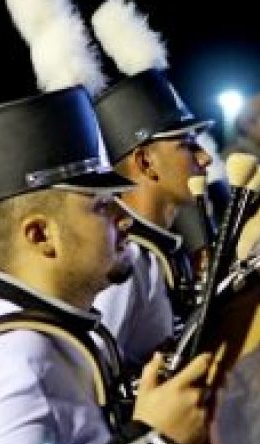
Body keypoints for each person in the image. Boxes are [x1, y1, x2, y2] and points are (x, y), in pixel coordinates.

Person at [0, 85, 212, 444]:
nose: (125, 218)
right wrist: (154, 443)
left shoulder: (65, 334)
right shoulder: (8, 364)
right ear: (41, 235)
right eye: (101, 205)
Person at [90, 0, 214, 372]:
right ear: (145, 162)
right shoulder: (125, 258)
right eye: (187, 145)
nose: (205, 159)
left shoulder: (160, 249)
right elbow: (99, 379)